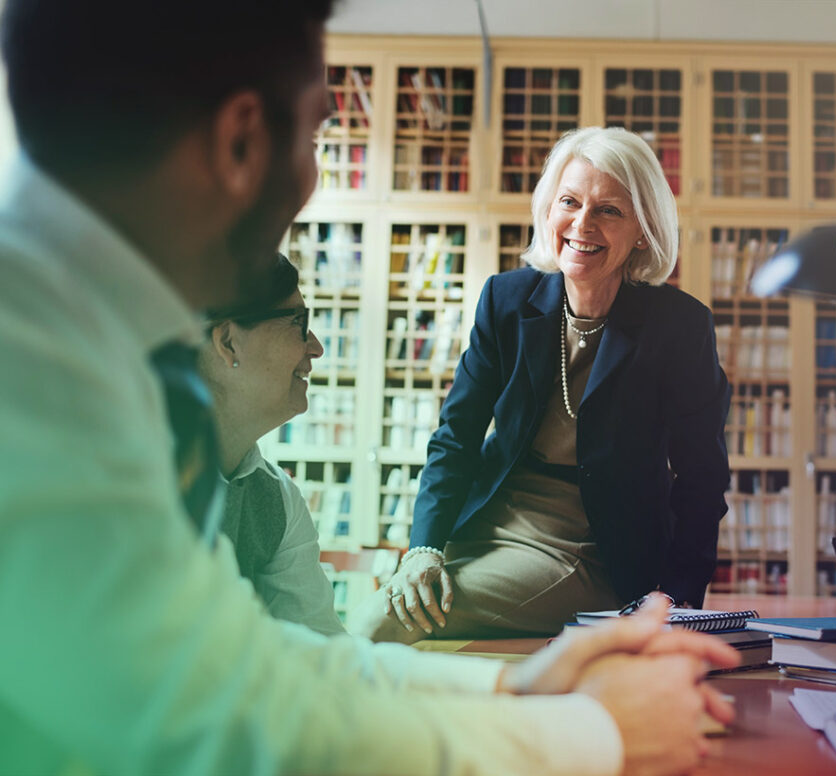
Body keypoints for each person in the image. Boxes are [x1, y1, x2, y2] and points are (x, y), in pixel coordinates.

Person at [0, 3, 739, 774]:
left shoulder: (88, 340)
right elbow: (208, 718)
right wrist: (596, 735)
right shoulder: (44, 372)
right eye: (320, 131)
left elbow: (243, 657)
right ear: (240, 140)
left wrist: (511, 685)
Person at [377, 126, 731, 643]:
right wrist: (424, 548)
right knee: (396, 602)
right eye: (570, 202)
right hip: (490, 520)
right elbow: (456, 436)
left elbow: (703, 478)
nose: (582, 224)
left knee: (390, 621)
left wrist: (675, 601)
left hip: (589, 547)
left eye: (609, 210)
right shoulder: (507, 299)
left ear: (644, 229)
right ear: (549, 211)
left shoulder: (679, 327)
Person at [198, 253, 345, 636]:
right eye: (300, 323)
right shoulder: (130, 485)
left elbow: (319, 652)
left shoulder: (277, 499)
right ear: (228, 342)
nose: (316, 348)